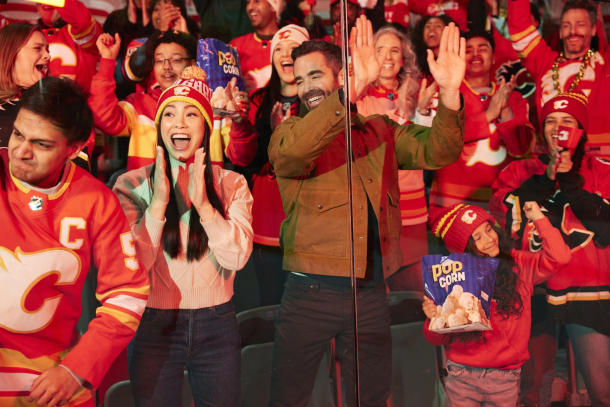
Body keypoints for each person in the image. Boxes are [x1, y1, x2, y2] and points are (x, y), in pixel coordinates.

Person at [267, 15, 466, 406]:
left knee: (373, 397)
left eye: (316, 76)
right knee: (289, 398)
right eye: (300, 78)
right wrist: (348, 97)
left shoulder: (379, 130)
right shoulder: (289, 133)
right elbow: (293, 155)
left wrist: (450, 93)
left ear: (341, 78)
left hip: (370, 293)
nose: (306, 87)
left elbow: (439, 150)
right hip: (310, 293)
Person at [0, 76, 149, 407]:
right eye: (18, 134)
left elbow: (127, 297)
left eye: (41, 144)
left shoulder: (97, 201)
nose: (20, 152)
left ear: (76, 148)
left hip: (54, 384)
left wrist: (76, 370)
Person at [113, 66, 253, 406]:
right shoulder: (130, 185)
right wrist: (159, 203)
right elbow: (134, 266)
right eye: (170, 114)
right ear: (159, 126)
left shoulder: (231, 184)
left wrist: (204, 205)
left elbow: (236, 258)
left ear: (205, 127)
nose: (179, 123)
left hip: (216, 323)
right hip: (153, 324)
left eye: (192, 114)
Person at [490, 91, 610, 406]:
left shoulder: (602, 169)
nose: (559, 128)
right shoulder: (520, 170)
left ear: (582, 130)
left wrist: (569, 180)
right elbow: (504, 213)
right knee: (533, 393)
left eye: (568, 121)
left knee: (603, 390)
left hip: (588, 292)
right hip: (533, 291)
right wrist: (547, 178)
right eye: (552, 121)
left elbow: (606, 225)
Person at [422, 202, 571, 406]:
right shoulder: (454, 280)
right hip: (462, 376)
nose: (489, 239)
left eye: (489, 229)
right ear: (464, 248)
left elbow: (560, 258)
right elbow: (440, 339)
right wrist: (433, 319)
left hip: (505, 378)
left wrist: (538, 218)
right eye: (477, 238)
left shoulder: (517, 264)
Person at [230, 24, 309, 306]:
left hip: (310, 221)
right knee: (272, 304)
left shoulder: (320, 102)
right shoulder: (257, 101)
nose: (286, 54)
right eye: (279, 49)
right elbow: (240, 158)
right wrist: (239, 124)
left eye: (294, 48)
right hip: (268, 219)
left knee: (310, 309)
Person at [355, 25, 428, 292]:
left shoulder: (421, 94)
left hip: (413, 207)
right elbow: (372, 148)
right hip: (378, 206)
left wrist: (417, 110)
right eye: (380, 50)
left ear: (404, 58)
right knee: (378, 287)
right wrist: (400, 110)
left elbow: (430, 148)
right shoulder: (359, 97)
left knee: (414, 288)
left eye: (394, 50)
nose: (387, 56)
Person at [429, 30, 535, 211]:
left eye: (482, 49)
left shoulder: (515, 99)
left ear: (494, 57)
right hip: (454, 203)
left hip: (502, 203)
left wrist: (504, 112)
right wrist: (488, 115)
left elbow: (521, 149)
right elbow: (438, 140)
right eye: (468, 50)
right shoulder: (445, 94)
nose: (476, 54)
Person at [507, 0, 610, 160]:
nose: (573, 31)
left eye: (580, 24)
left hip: (598, 169)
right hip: (551, 169)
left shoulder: (605, 63)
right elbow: (520, 30)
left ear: (594, 29)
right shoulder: (544, 62)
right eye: (567, 25)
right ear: (560, 32)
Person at [34, 0, 102, 93]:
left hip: (76, 105)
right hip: (36, 105)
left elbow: (82, 21)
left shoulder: (80, 32)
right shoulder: (29, 31)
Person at [230, 0, 282, 93]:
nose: (250, 7)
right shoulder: (236, 45)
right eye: (248, 2)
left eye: (257, 1)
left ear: (273, 6)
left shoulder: (290, 44)